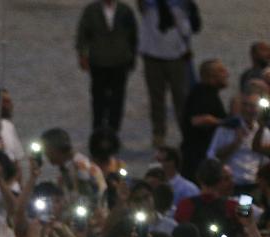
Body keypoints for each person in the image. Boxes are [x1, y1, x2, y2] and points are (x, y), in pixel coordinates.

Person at [75, 0, 138, 132]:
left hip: (120, 61)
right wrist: (82, 55)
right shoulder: (91, 10)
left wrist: (132, 58)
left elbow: (133, 36)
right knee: (98, 99)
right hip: (99, 62)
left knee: (117, 99)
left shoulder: (125, 10)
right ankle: (98, 130)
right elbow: (82, 34)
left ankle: (113, 131)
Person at [137, 0, 193, 147]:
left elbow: (188, 18)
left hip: (176, 53)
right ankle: (158, 133)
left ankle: (186, 132)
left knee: (181, 98)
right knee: (156, 98)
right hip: (153, 53)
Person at [207, 91, 270, 189]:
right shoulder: (226, 128)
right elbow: (212, 156)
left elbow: (265, 161)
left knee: (248, 204)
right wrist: (235, 143)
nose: (248, 109)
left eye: (253, 106)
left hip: (253, 185)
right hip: (230, 185)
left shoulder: (264, 132)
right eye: (245, 105)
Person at [179, 59, 229, 180]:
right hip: (197, 158)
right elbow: (198, 120)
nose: (227, 73)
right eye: (221, 71)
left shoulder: (206, 92)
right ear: (210, 76)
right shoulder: (203, 94)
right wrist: (224, 123)